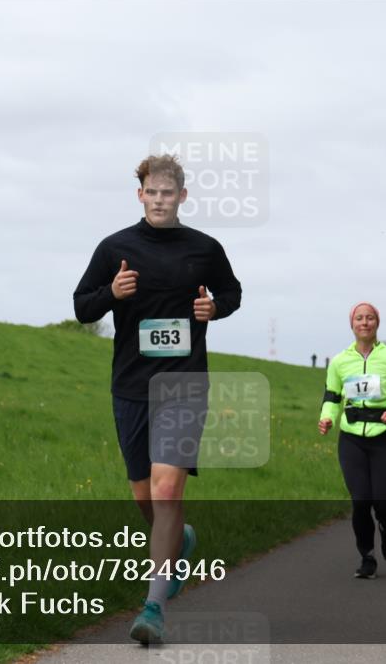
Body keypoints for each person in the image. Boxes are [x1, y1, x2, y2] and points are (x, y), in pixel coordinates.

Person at [73, 154, 242, 645]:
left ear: (182, 196)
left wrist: (216, 307)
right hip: (131, 385)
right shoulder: (114, 247)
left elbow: (231, 292)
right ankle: (180, 542)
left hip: (185, 383)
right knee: (144, 496)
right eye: (153, 191)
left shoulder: (205, 248)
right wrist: (113, 292)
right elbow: (82, 304)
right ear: (141, 194)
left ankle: (153, 606)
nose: (161, 199)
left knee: (168, 492)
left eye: (170, 192)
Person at [318, 302, 386, 580]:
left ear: (377, 323)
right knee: (361, 500)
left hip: (384, 438)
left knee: (384, 503)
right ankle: (367, 556)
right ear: (352, 324)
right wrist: (327, 417)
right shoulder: (340, 361)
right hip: (351, 439)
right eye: (359, 318)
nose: (364, 322)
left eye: (370, 318)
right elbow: (332, 396)